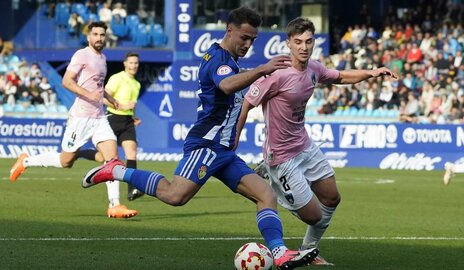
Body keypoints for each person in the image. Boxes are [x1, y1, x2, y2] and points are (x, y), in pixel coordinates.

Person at [80, 7, 318, 270]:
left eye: (253, 40)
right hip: (206, 145)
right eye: (244, 38)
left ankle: (280, 252)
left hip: (223, 151)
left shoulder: (230, 60)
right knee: (175, 195)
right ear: (230, 30)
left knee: (266, 196)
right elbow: (226, 85)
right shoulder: (218, 59)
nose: (248, 44)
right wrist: (262, 69)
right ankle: (116, 170)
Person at [235, 17, 398, 266]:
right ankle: (268, 181)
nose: (303, 47)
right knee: (313, 215)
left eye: (308, 41)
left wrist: (371, 73)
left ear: (313, 43)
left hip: (305, 146)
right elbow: (246, 104)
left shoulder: (314, 68)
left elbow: (340, 76)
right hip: (281, 156)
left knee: (332, 198)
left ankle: (309, 250)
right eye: (298, 42)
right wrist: (234, 140)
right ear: (288, 43)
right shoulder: (276, 74)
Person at [9, 21, 138, 219]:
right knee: (65, 161)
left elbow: (98, 87)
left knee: (112, 160)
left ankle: (115, 205)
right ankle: (25, 161)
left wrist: (111, 100)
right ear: (88, 37)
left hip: (99, 117)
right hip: (80, 118)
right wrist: (89, 94)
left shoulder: (103, 58)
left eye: (102, 35)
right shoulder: (81, 55)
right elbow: (66, 81)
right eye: (95, 34)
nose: (99, 38)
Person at [78, 52, 144, 201]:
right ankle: (79, 153)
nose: (134, 65)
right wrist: (121, 106)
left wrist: (133, 117)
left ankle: (132, 189)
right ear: (125, 64)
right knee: (103, 157)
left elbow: (130, 105)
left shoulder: (136, 84)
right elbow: (103, 97)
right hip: (113, 118)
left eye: (136, 63)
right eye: (131, 63)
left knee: (131, 153)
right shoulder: (117, 78)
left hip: (127, 121)